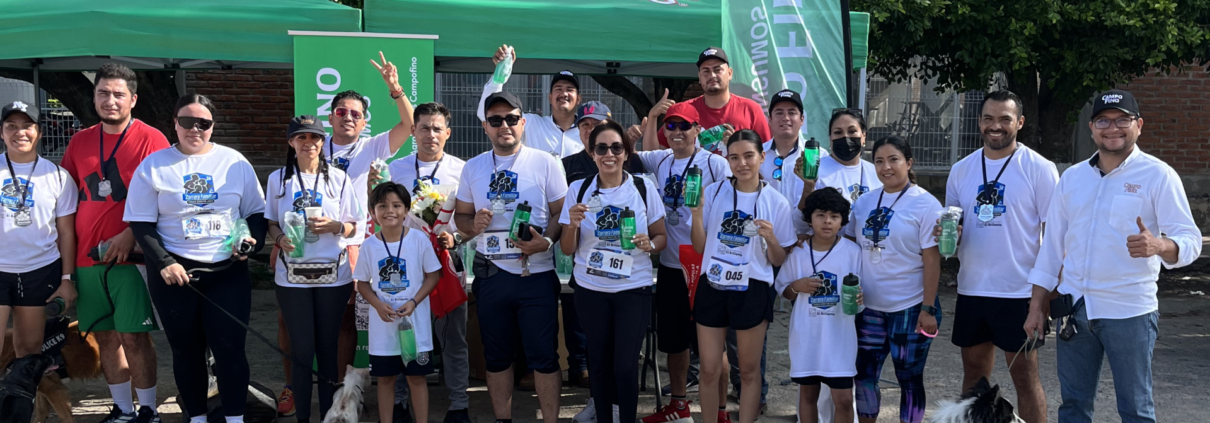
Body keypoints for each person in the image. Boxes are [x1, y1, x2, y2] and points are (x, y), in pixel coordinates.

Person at [1024, 89, 1202, 423]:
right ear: (1092, 128)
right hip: (1076, 313)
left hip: (1130, 312)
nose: (1113, 128)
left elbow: (1190, 239)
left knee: (1135, 409)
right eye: (1104, 120)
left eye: (1123, 120)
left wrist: (1160, 246)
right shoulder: (1073, 178)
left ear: (1139, 126)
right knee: (1073, 407)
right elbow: (1051, 249)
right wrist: (1036, 306)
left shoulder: (1158, 175)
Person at [273, 51, 417, 415]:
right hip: (298, 251)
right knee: (291, 326)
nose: (348, 117)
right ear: (329, 120)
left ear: (364, 120)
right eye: (341, 112)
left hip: (350, 245)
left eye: (355, 113)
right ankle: (295, 387)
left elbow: (409, 125)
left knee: (342, 326)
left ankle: (339, 396)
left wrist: (396, 88)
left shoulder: (371, 146)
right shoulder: (309, 150)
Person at [124, 94, 267, 423]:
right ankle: (198, 418)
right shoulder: (154, 165)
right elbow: (141, 224)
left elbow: (256, 214)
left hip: (228, 273)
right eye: (187, 121)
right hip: (176, 275)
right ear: (174, 122)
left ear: (213, 126)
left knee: (230, 350)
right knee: (186, 353)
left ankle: (234, 418)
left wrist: (249, 243)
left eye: (203, 123)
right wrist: (164, 262)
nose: (195, 129)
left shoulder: (234, 162)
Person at [937, 90, 1057, 423]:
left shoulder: (1039, 169)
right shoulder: (961, 170)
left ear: (1019, 122)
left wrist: (1045, 295)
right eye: (989, 118)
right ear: (979, 122)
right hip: (973, 288)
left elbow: (1056, 237)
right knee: (975, 379)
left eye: (1005, 119)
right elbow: (954, 223)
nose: (996, 126)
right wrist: (950, 234)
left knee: (1025, 378)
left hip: (1019, 292)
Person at [59, 63, 170, 423]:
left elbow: (163, 198)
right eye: (103, 93)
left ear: (133, 99)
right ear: (94, 97)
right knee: (105, 337)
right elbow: (66, 199)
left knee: (134, 336)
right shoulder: (79, 140)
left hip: (131, 257)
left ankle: (149, 409)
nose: (110, 100)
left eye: (118, 94)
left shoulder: (152, 139)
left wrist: (128, 235)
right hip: (87, 259)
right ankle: (123, 409)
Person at [454, 91, 568, 423]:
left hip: (536, 273)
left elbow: (560, 212)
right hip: (492, 273)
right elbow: (461, 219)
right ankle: (503, 419)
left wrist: (546, 241)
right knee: (497, 357)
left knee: (544, 357)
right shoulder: (473, 167)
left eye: (511, 118)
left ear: (523, 122)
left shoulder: (546, 161)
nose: (504, 125)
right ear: (486, 127)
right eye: (495, 120)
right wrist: (472, 225)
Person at [560, 121, 667, 423]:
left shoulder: (643, 188)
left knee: (624, 365)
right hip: (591, 289)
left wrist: (650, 244)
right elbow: (568, 249)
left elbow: (661, 238)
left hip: (633, 289)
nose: (610, 154)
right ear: (591, 153)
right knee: (600, 364)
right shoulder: (578, 190)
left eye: (616, 147)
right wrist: (572, 223)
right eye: (602, 148)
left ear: (626, 152)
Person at [690, 130, 796, 423]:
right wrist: (697, 214)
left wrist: (772, 238)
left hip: (752, 289)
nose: (742, 163)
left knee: (748, 371)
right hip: (713, 285)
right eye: (734, 157)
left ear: (762, 157)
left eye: (749, 156)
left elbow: (778, 260)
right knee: (709, 368)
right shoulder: (712, 192)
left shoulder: (776, 202)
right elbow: (700, 247)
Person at [636, 102, 730, 423]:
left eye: (684, 126)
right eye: (671, 126)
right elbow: (624, 153)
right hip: (673, 266)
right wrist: (647, 121)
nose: (677, 132)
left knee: (714, 347)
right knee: (674, 342)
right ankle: (678, 405)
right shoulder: (660, 159)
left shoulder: (714, 163)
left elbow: (736, 197)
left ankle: (719, 411)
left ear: (697, 129)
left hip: (707, 269)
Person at [265, 115, 361, 423]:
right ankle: (303, 417)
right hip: (292, 278)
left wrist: (336, 226)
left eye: (315, 138)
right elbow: (271, 222)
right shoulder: (278, 179)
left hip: (333, 275)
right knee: (302, 352)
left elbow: (355, 226)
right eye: (302, 138)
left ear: (323, 142)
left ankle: (329, 416)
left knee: (328, 350)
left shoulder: (338, 178)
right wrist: (279, 237)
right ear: (291, 142)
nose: (309, 143)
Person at [384, 102, 472, 423]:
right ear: (413, 132)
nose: (430, 135)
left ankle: (459, 404)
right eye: (424, 128)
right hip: (404, 267)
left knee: (452, 337)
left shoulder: (463, 170)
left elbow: (469, 220)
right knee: (403, 333)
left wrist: (456, 238)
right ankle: (399, 402)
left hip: (447, 264)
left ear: (448, 133)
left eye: (437, 129)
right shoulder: (396, 170)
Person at [845, 136, 942, 423]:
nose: (885, 167)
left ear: (909, 163)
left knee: (909, 378)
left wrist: (928, 309)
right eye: (878, 161)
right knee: (863, 375)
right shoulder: (863, 203)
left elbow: (932, 260)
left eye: (893, 159)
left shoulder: (925, 203)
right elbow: (849, 247)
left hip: (910, 308)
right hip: (869, 308)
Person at [355, 182, 443, 423]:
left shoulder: (419, 240)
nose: (389, 211)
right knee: (385, 379)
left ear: (407, 210)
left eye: (396, 205)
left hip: (415, 327)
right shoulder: (369, 245)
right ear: (373, 212)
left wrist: (414, 301)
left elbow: (433, 275)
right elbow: (362, 283)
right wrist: (377, 304)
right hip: (383, 328)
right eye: (382, 206)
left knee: (417, 378)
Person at [0, 101, 79, 358]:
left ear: (40, 132)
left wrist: (66, 280)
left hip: (40, 270)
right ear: (2, 132)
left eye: (27, 126)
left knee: (30, 349)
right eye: (11, 126)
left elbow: (66, 233)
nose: (19, 133)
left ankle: (25, 399)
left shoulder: (59, 176)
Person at [775, 188, 861, 423]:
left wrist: (860, 299)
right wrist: (798, 285)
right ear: (809, 218)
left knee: (843, 399)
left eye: (834, 216)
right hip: (807, 335)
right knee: (808, 394)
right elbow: (783, 290)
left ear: (843, 220)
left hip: (840, 337)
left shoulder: (853, 252)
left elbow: (862, 293)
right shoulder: (798, 252)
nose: (827, 221)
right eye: (821, 215)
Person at [654, 47, 771, 153]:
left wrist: (738, 146)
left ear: (730, 73)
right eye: (706, 71)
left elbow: (766, 153)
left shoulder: (751, 109)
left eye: (717, 70)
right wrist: (652, 118)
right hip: (693, 176)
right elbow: (655, 153)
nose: (712, 75)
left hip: (737, 176)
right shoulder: (684, 110)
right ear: (699, 77)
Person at [481, 44, 583, 158]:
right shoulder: (531, 124)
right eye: (558, 89)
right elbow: (484, 114)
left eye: (569, 89)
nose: (564, 94)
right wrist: (498, 79)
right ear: (549, 97)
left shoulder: (587, 131)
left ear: (578, 98)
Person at [563, 102, 645, 184]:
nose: (591, 130)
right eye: (585, 125)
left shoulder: (631, 161)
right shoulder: (566, 166)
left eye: (597, 124)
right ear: (579, 130)